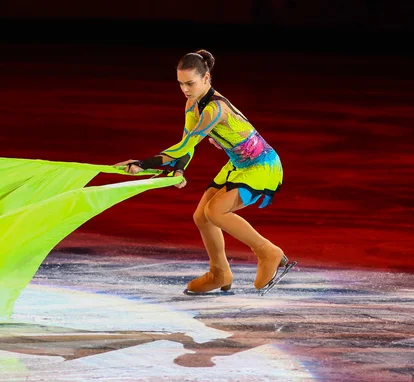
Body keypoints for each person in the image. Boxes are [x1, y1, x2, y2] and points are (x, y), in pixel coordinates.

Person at [114, 49, 293, 294]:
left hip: (261, 165)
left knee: (215, 211)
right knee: (202, 216)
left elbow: (185, 145)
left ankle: (268, 252)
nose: (185, 89)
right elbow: (186, 145)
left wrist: (142, 164)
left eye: (190, 83)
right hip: (238, 164)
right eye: (180, 84)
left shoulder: (214, 110)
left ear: (206, 79)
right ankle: (220, 272)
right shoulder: (192, 105)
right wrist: (178, 170)